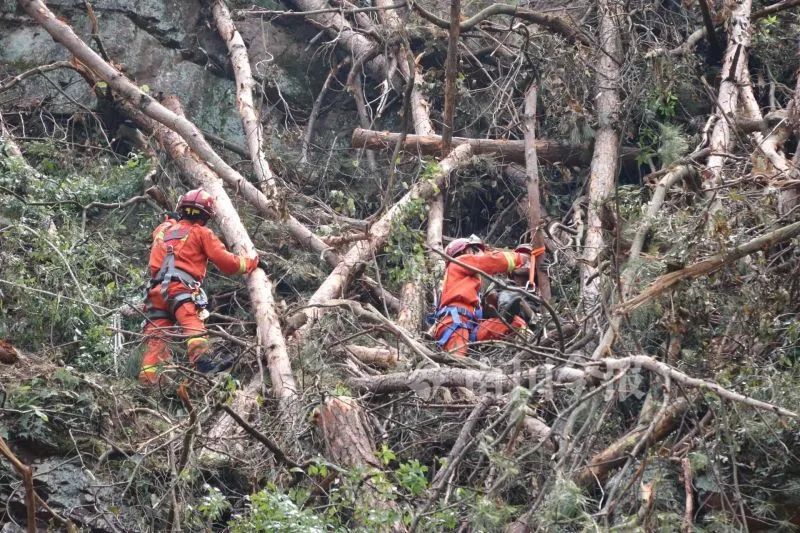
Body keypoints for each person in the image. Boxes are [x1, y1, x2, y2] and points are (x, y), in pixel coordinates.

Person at [138, 189, 259, 385]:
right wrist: (251, 263)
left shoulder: (163, 231)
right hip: (180, 290)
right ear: (206, 216)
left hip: (155, 293)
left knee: (156, 339)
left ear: (181, 209)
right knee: (193, 324)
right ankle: (202, 363)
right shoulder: (202, 233)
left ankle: (147, 383)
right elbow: (227, 263)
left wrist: (171, 220)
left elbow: (161, 227)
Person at [432, 235, 531, 356]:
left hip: (470, 327)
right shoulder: (459, 262)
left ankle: (532, 350)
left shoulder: (466, 282)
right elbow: (492, 261)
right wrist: (521, 258)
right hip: (455, 323)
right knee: (457, 361)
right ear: (464, 251)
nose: (479, 254)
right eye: (475, 250)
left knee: (515, 323)